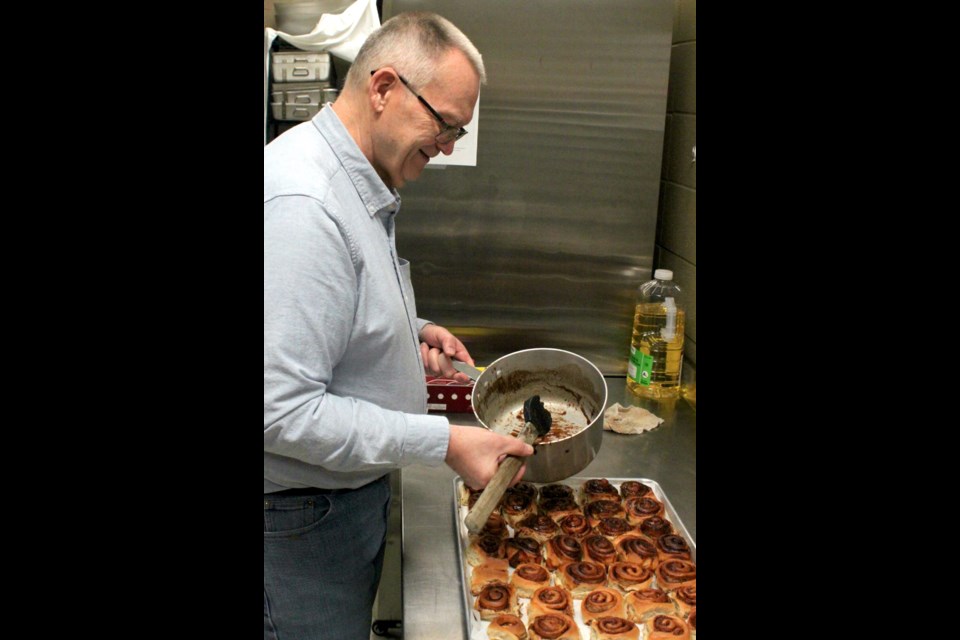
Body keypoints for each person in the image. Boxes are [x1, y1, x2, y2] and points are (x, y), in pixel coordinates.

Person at [264, 11, 534, 639]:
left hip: (335, 498)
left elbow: (334, 303)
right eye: (444, 126)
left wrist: (408, 329)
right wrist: (442, 442)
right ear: (384, 88)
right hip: (299, 518)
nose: (445, 147)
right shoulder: (306, 204)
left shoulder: (357, 180)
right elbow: (280, 409)